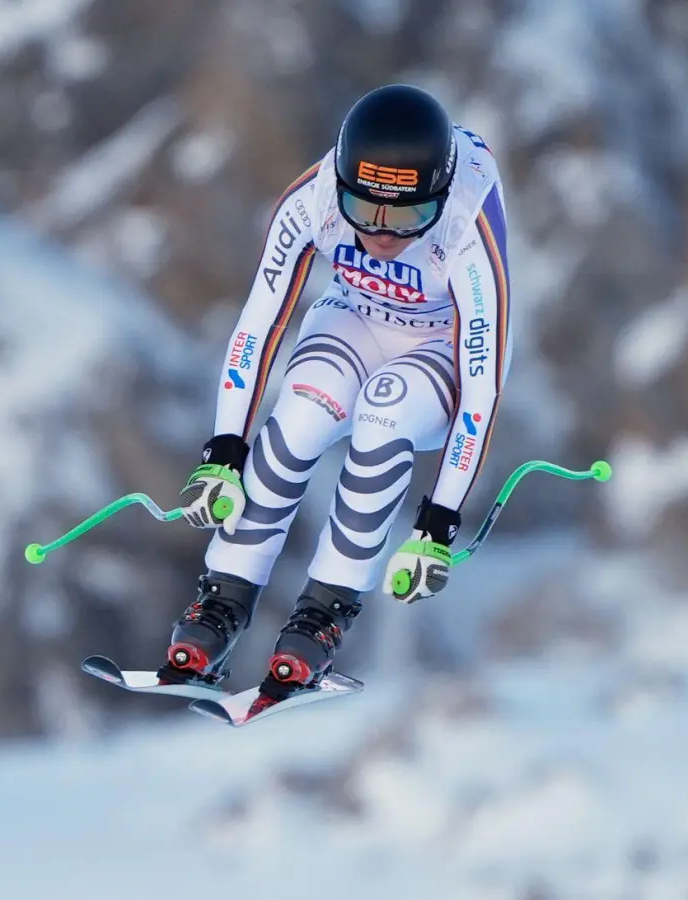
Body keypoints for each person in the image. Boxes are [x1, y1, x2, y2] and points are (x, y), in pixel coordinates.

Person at [163, 83, 510, 698]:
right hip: (353, 317)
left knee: (383, 415)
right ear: (342, 184)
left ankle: (322, 616)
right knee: (299, 414)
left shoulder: (466, 223)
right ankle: (220, 601)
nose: (381, 232)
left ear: (439, 198)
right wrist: (224, 452)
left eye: (407, 217)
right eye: (363, 209)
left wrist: (437, 526)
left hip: (440, 346)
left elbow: (482, 390)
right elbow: (259, 323)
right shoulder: (315, 198)